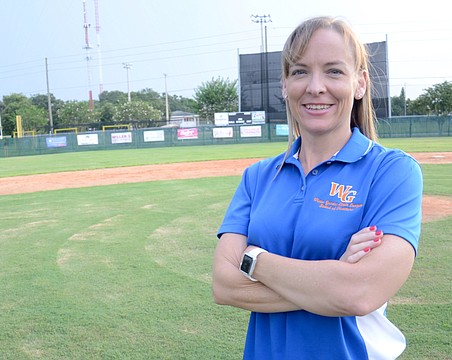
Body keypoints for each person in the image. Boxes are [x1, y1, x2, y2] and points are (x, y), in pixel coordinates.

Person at [212, 16, 423, 360]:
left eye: (334, 71)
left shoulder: (392, 171)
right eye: (300, 71)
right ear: (284, 84)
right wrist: (332, 274)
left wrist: (253, 259)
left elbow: (358, 293)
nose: (315, 86)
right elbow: (223, 285)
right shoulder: (257, 177)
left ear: (360, 84)